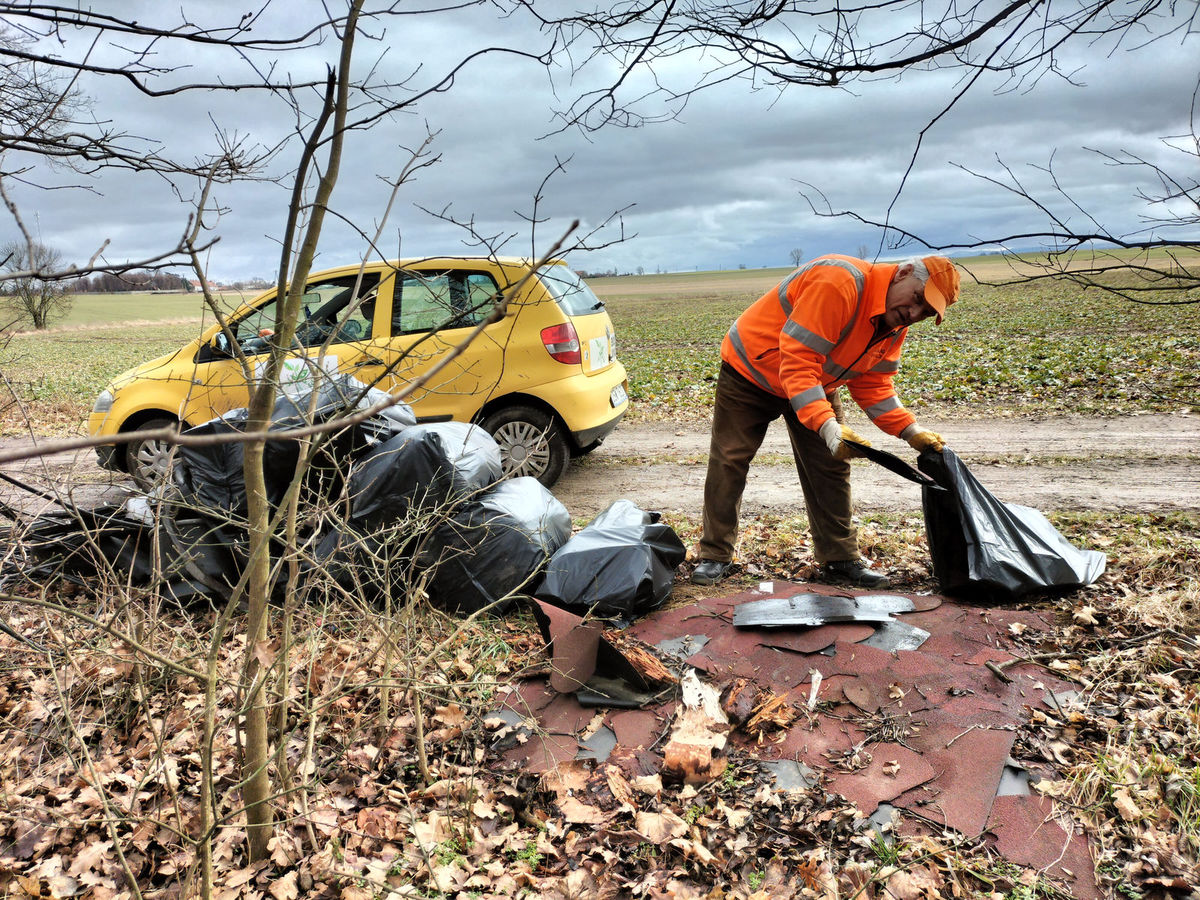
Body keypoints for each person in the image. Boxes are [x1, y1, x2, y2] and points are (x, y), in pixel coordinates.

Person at [691, 254, 961, 588]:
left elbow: (873, 384)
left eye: (927, 313)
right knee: (730, 460)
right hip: (753, 371)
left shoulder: (894, 324)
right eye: (918, 299)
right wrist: (826, 424)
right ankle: (714, 556)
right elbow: (799, 359)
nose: (914, 314)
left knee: (832, 466)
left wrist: (910, 430)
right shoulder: (840, 283)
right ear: (904, 272)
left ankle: (840, 559)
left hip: (814, 382)